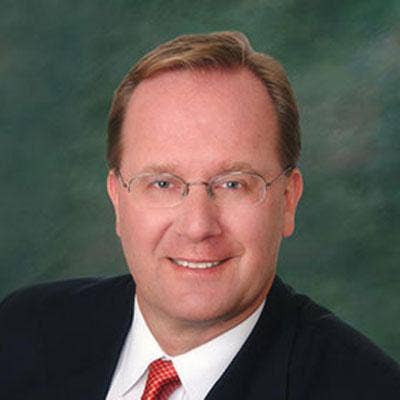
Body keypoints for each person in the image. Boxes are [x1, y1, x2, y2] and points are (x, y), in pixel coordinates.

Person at [0, 31, 399, 400]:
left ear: (288, 201)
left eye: (233, 184)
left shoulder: (367, 388)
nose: (197, 226)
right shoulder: (23, 332)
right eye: (162, 183)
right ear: (117, 199)